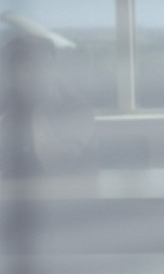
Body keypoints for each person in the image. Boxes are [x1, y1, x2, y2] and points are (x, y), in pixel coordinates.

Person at [0, 34, 95, 177]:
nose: (42, 74)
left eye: (46, 66)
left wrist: (38, 110)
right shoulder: (8, 106)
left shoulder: (75, 109)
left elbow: (57, 163)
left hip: (66, 193)